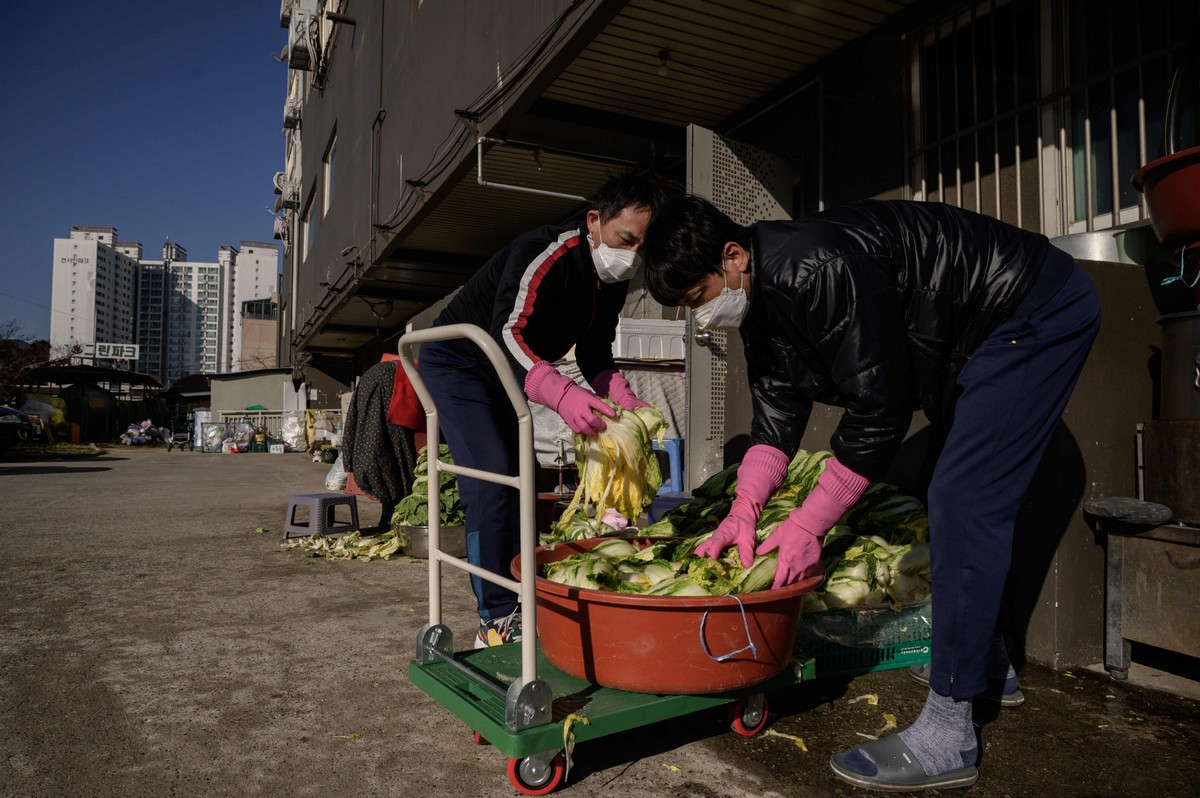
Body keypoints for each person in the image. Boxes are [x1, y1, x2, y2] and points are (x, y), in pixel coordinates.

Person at [642, 196, 1100, 792]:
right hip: (974, 335)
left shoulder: (817, 266)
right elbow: (777, 415)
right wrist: (744, 511)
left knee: (963, 497)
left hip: (1033, 308)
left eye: (697, 297)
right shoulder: (761, 297)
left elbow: (878, 409)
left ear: (732, 257)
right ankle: (986, 663)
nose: (699, 317)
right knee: (956, 488)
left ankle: (950, 731)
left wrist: (808, 526)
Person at [417, 173, 666, 649]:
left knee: (525, 480)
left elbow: (595, 350)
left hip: (506, 371)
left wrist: (624, 399)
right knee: (491, 480)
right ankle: (495, 616)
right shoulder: (545, 251)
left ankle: (523, 589)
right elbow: (507, 332)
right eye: (625, 240)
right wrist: (563, 394)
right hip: (460, 361)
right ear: (595, 221)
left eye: (642, 248)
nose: (631, 256)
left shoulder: (610, 279)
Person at [342, 353, 423, 531]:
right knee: (398, 449)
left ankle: (389, 518)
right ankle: (396, 519)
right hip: (394, 382)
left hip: (375, 377)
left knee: (375, 440)